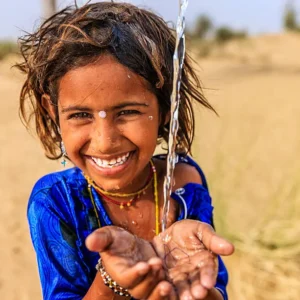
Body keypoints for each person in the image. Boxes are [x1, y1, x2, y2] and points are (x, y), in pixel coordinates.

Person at [17, 2, 234, 300]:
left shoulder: (184, 181)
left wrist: (199, 292)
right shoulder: (56, 202)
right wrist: (111, 282)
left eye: (128, 112)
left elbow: (212, 287)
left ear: (166, 109)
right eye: (80, 115)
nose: (105, 141)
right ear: (52, 111)